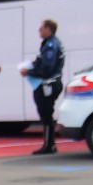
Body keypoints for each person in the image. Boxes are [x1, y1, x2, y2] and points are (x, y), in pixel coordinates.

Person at [21, 19, 66, 154]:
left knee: (46, 114)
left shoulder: (51, 45)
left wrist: (29, 72)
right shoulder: (49, 43)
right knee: (45, 113)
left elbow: (47, 68)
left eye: (41, 28)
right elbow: (41, 61)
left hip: (49, 84)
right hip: (50, 84)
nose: (39, 31)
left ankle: (49, 145)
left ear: (48, 29)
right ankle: (49, 144)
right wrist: (31, 66)